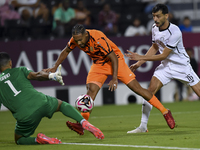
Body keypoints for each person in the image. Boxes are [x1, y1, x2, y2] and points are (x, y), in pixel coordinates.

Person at [43, 24, 175, 135]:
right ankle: (82, 124)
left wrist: (114, 78)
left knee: (138, 89)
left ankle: (165, 111)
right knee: (90, 92)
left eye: (80, 40)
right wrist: (55, 67)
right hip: (99, 64)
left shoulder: (97, 37)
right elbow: (66, 51)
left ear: (85, 34)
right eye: (76, 40)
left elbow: (113, 57)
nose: (78, 43)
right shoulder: (75, 39)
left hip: (116, 61)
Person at [125, 4, 200, 133]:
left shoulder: (175, 31)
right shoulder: (154, 28)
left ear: (166, 16)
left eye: (158, 16)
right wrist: (139, 62)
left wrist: (140, 56)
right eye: (153, 16)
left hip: (182, 67)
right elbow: (155, 47)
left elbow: (163, 54)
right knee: (149, 91)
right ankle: (143, 126)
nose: (155, 19)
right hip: (166, 67)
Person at [0, 52, 104, 145]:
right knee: (62, 105)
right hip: (41, 101)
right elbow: (37, 75)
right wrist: (51, 76)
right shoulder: (20, 70)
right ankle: (83, 122)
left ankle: (38, 140)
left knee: (19, 139)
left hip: (25, 116)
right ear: (10, 62)